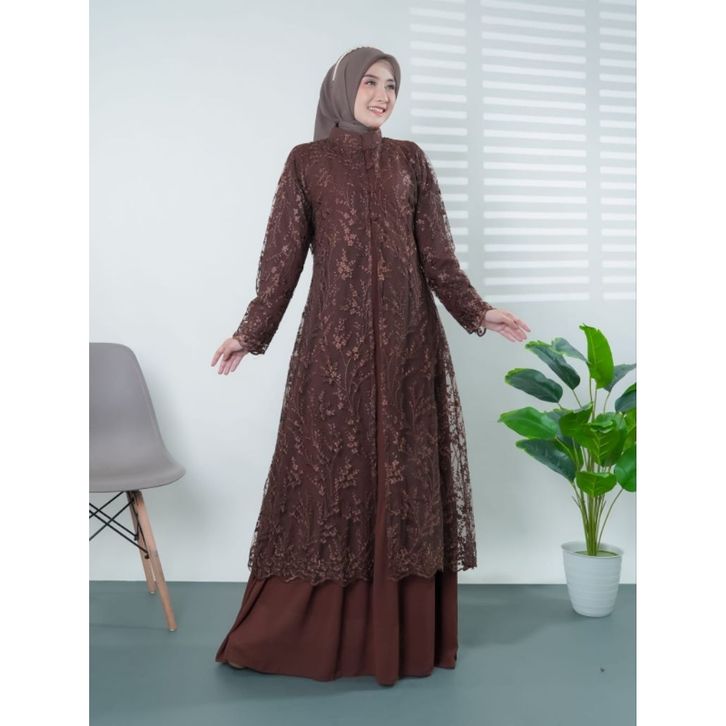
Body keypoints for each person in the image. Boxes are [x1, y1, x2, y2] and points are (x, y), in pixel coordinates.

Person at [211, 46, 530, 687]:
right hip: (335, 352)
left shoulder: (410, 160)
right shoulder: (306, 163)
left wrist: (479, 311)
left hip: (410, 348)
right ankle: (316, 635)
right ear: (341, 89)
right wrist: (251, 332)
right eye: (370, 82)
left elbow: (437, 258)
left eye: (392, 85)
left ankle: (399, 637)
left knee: (402, 481)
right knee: (332, 478)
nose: (383, 95)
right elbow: (282, 262)